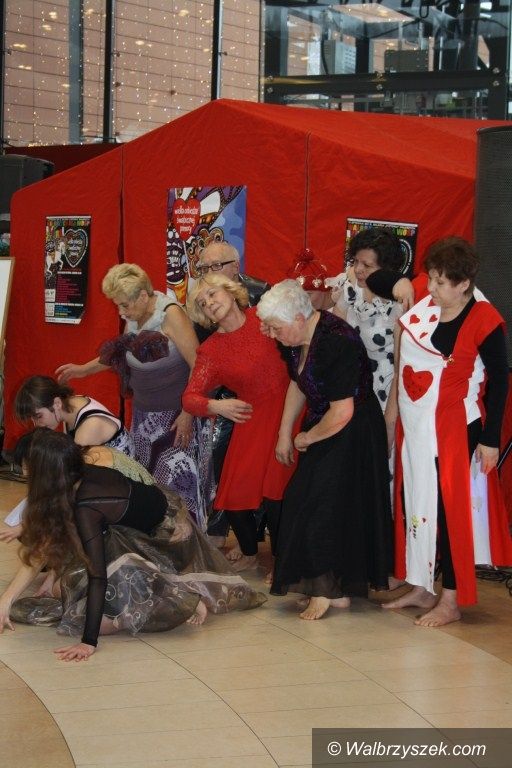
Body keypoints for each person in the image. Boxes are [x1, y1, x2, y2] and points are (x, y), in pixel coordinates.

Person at [0, 430, 265, 661]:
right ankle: (164, 587)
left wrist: (88, 642)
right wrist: (5, 602)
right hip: (132, 530)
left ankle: (177, 594)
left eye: (28, 469)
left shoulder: (86, 504)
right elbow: (44, 546)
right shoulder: (74, 474)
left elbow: (97, 573)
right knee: (63, 589)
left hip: (163, 540)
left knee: (83, 615)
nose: (24, 474)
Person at [384, 237, 512, 626]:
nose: (432, 288)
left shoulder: (485, 320)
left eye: (440, 282)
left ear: (464, 284)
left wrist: (490, 440)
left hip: (458, 431)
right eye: (431, 278)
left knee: (450, 514)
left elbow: (500, 384)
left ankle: (451, 599)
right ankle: (422, 585)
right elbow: (378, 280)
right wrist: (399, 283)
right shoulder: (429, 308)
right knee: (416, 503)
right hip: (419, 429)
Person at [257, 280, 393, 620]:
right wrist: (285, 432)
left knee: (323, 505)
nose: (272, 335)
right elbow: (298, 383)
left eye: (276, 327)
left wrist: (307, 438)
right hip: (325, 422)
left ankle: (327, 589)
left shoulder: (336, 341)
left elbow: (343, 411)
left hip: (354, 428)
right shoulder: (294, 341)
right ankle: (334, 589)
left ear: (299, 318)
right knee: (308, 500)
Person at [55, 263, 213, 530]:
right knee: (150, 484)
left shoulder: (171, 315)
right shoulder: (134, 315)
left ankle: (188, 543)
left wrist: (188, 412)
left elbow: (200, 366)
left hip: (177, 416)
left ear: (142, 295)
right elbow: (118, 354)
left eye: (124, 305)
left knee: (179, 485)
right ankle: (160, 541)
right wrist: (82, 370)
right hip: (144, 418)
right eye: (118, 305)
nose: (121, 312)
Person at [183, 274, 295, 572]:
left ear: (231, 292)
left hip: (293, 408)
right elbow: (190, 398)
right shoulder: (211, 350)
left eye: (212, 294)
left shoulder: (263, 315)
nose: (209, 303)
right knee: (233, 495)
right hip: (252, 418)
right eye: (202, 303)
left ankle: (284, 564)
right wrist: (216, 405)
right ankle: (249, 552)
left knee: (278, 493)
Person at [194, 240, 271, 550]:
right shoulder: (203, 306)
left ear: (235, 268)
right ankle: (233, 532)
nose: (208, 273)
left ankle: (257, 538)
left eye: (216, 266)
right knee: (223, 465)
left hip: (277, 402)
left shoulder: (263, 295)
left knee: (271, 478)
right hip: (233, 397)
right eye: (203, 268)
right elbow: (200, 366)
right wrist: (213, 404)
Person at [1, 375, 133, 539]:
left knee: (50, 506)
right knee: (37, 500)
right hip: (106, 478)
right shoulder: (69, 407)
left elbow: (68, 481)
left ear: (56, 403)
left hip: (123, 489)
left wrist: (27, 524)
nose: (36, 424)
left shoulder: (88, 427)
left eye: (38, 416)